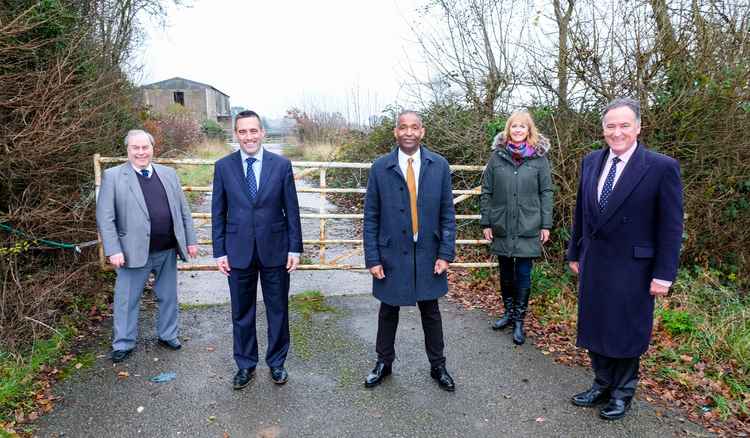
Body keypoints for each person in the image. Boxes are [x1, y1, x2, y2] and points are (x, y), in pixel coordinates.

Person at [567, 98, 683, 420]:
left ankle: (622, 393)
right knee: (595, 325)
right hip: (595, 261)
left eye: (624, 125)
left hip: (635, 267)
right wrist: (575, 251)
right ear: (603, 129)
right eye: (610, 126)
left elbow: (671, 227)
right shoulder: (591, 161)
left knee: (626, 331)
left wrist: (664, 274)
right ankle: (601, 383)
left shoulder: (661, 167)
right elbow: (581, 212)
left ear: (638, 128)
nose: (617, 132)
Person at [362, 110, 457, 391]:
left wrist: (445, 252)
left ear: (422, 131)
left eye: (414, 127)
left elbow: (447, 213)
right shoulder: (380, 167)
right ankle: (384, 362)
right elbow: (371, 216)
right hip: (391, 254)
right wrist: (373, 257)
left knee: (431, 311)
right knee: (388, 310)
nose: (408, 132)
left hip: (428, 252)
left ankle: (438, 365)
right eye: (403, 127)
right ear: (395, 132)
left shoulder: (439, 165)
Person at [211, 110, 303, 390]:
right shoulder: (224, 167)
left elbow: (292, 209)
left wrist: (295, 249)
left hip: (275, 249)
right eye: (242, 132)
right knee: (241, 312)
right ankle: (245, 365)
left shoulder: (281, 165)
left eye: (253, 131)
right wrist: (219, 251)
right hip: (237, 251)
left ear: (262, 132)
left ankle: (277, 363)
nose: (248, 137)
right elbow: (218, 211)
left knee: (278, 309)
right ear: (236, 134)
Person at [96, 129, 198, 363]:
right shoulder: (113, 176)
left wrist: (190, 240)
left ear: (152, 148)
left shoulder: (168, 174)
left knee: (168, 296)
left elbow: (183, 210)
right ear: (128, 150)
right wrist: (113, 249)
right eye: (136, 148)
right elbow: (105, 217)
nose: (141, 152)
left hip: (167, 249)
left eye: (145, 147)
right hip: (131, 252)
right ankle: (123, 342)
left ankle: (168, 335)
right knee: (127, 299)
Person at [480, 111, 553, 345]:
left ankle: (520, 320)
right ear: (508, 130)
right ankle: (508, 314)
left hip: (528, 225)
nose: (518, 130)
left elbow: (546, 192)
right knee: (505, 272)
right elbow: (487, 191)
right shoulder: (497, 157)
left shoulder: (539, 159)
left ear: (529, 130)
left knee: (523, 274)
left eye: (523, 126)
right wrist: (486, 221)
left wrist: (546, 223)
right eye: (514, 126)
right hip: (501, 223)